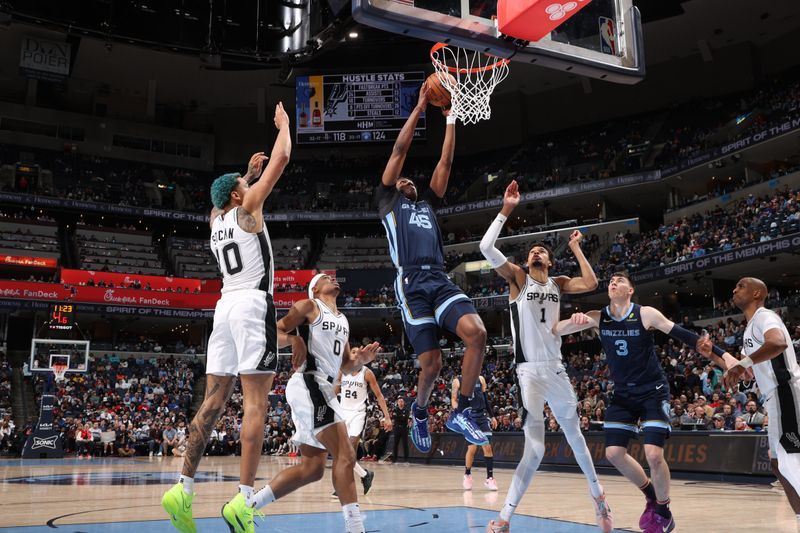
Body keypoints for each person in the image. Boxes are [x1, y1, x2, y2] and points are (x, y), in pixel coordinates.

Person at [161, 103, 291, 533]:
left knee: (213, 401)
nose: (247, 185)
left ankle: (182, 487)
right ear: (240, 196)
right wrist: (284, 126)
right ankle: (244, 499)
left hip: (224, 307)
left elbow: (219, 201)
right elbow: (283, 158)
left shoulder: (215, 220)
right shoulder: (247, 207)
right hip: (254, 303)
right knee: (256, 403)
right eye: (242, 185)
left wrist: (242, 176)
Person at [554, 271, 739, 533]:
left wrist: (724, 355)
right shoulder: (598, 317)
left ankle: (663, 511)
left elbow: (685, 335)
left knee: (653, 454)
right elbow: (556, 330)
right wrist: (572, 320)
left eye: (620, 281)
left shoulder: (645, 313)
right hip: (622, 394)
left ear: (630, 290)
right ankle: (652, 496)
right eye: (611, 282)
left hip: (652, 390)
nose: (613, 283)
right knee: (613, 454)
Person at [479, 180, 611, 532]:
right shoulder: (518, 279)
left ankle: (598, 497)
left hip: (555, 369)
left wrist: (576, 248)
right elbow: (484, 246)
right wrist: (507, 209)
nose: (537, 251)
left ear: (551, 261)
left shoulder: (559, 283)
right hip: (527, 374)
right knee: (534, 450)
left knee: (576, 437)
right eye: (532, 250)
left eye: (542, 250)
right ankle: (505, 517)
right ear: (527, 259)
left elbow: (592, 283)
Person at [377, 83, 488, 452]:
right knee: (432, 363)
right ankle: (420, 411)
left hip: (439, 278)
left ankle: (464, 409)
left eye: (411, 180)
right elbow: (399, 149)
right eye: (402, 179)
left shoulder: (426, 204)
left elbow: (445, 163)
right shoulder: (388, 201)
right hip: (410, 282)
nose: (407, 180)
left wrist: (451, 116)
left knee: (478, 334)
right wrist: (421, 104)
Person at [240, 273, 381, 533]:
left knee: (312, 469)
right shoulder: (309, 306)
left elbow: (347, 366)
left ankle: (246, 507)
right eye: (325, 277)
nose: (332, 278)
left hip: (323, 386)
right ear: (314, 289)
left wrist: (361, 360)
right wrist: (294, 339)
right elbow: (274, 331)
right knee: (346, 454)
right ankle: (355, 528)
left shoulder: (343, 320)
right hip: (309, 382)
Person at [700, 277, 800, 527]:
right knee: (778, 464)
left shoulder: (766, 316)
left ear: (757, 293)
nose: (734, 289)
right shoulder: (748, 330)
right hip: (774, 396)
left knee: (791, 457)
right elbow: (744, 373)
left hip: (786, 389)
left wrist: (744, 363)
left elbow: (777, 343)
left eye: (741, 286)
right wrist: (712, 353)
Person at [335, 354, 393, 495]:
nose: (353, 355)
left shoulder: (367, 373)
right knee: (343, 453)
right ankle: (365, 475)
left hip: (358, 414)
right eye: (351, 352)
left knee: (350, 449)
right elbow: (335, 391)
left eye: (356, 352)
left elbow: (379, 395)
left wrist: (387, 417)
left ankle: (344, 486)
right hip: (343, 413)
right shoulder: (342, 371)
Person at [451, 374, 497, 491]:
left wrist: (492, 417)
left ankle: (490, 478)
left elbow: (485, 400)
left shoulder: (481, 379)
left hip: (481, 417)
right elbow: (453, 399)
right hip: (469, 418)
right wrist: (460, 413)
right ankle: (467, 475)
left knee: (487, 447)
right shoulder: (458, 381)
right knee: (472, 448)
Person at [392, 397, 410, 462]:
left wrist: (399, 416)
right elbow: (395, 418)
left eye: (402, 401)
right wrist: (401, 416)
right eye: (399, 401)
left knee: (405, 444)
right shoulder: (395, 410)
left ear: (404, 403)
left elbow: (405, 418)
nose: (401, 403)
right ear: (397, 403)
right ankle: (394, 459)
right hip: (397, 428)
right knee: (395, 444)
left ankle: (406, 459)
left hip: (404, 428)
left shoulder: (407, 410)